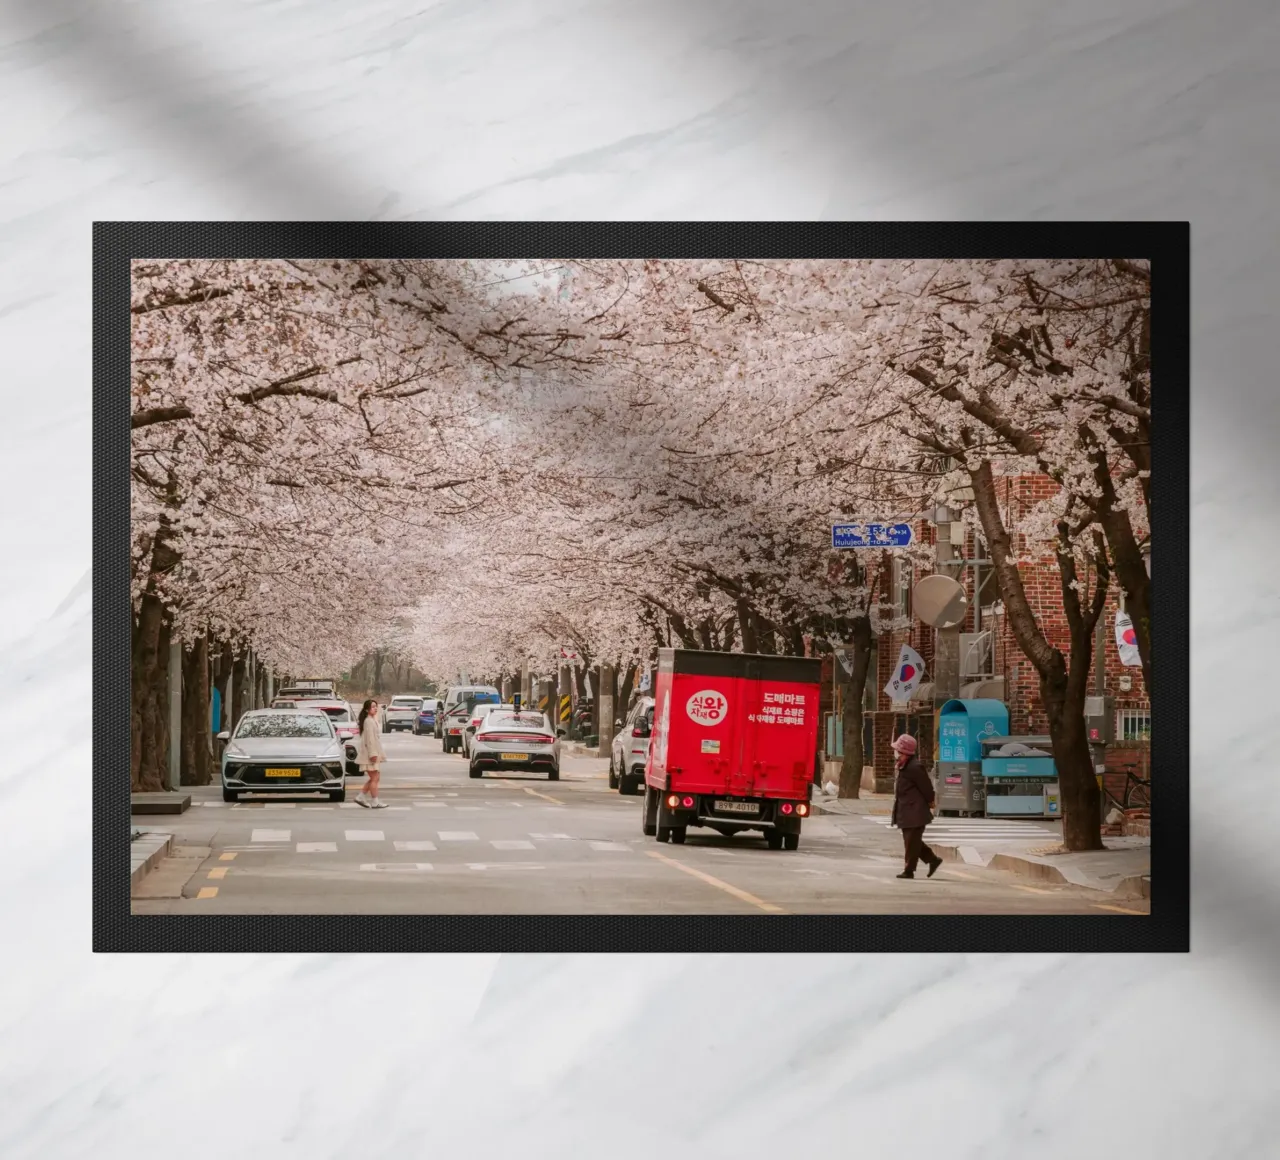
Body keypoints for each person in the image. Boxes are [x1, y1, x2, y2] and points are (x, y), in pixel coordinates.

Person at [890, 733, 941, 879]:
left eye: (899, 751)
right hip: (906, 810)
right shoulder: (904, 766)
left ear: (905, 752)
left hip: (915, 811)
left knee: (911, 842)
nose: (896, 754)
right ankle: (933, 860)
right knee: (912, 841)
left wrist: (931, 801)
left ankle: (909, 870)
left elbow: (926, 787)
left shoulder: (915, 767)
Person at [355, 698, 388, 809]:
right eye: (373, 707)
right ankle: (374, 801)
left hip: (372, 753)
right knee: (375, 778)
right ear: (366, 709)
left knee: (376, 777)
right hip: (370, 754)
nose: (375, 709)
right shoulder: (368, 721)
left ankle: (362, 796)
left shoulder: (371, 720)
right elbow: (370, 740)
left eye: (376, 706)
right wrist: (373, 754)